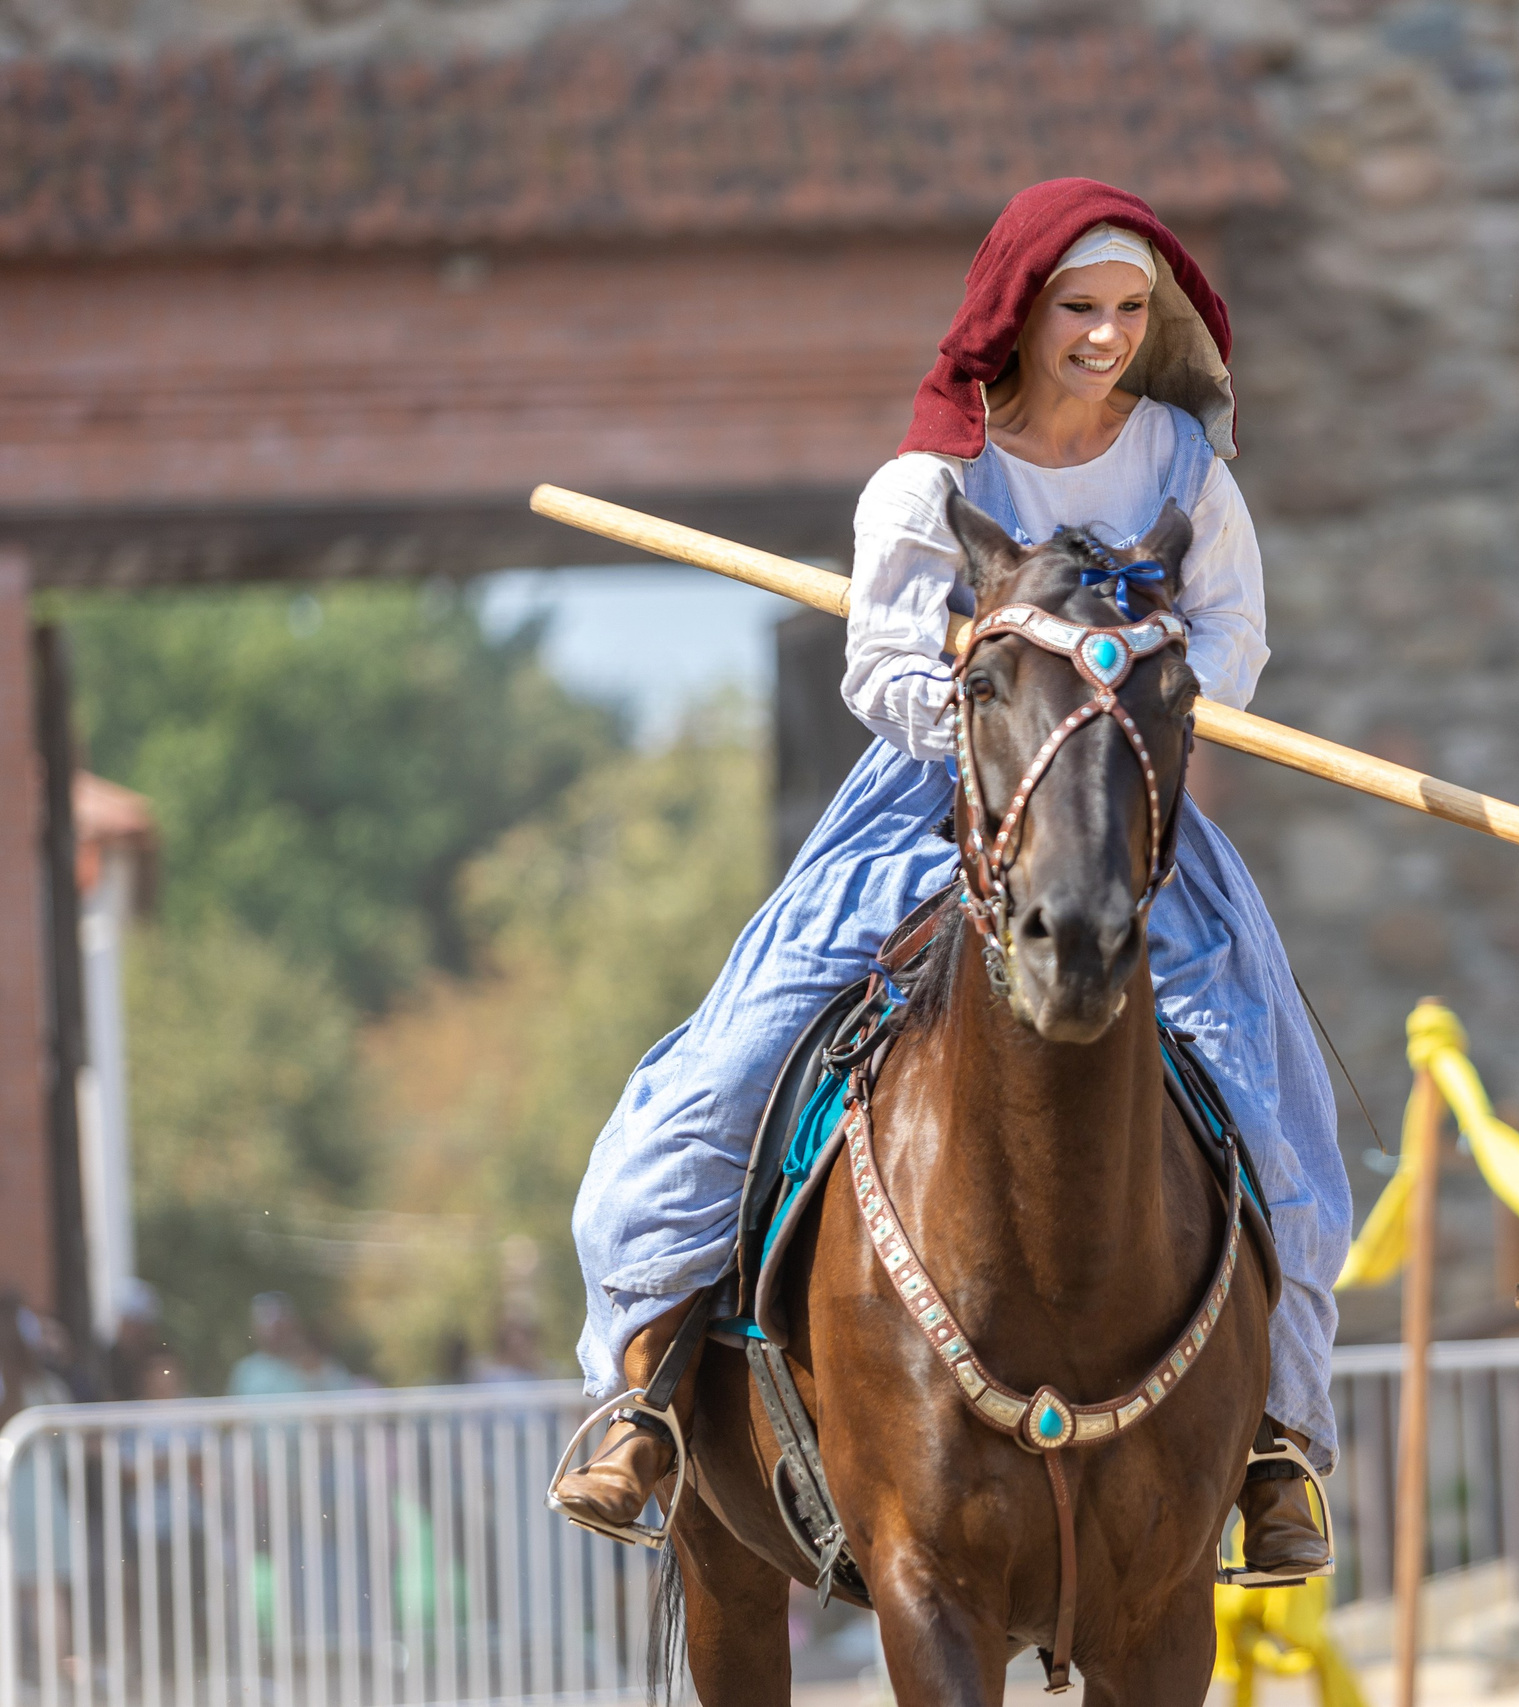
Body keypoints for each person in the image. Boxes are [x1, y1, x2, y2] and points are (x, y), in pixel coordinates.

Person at [556, 179, 1351, 1582]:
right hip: (943, 808)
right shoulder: (930, 478)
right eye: (1079, 309)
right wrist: (1002, 703)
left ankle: (1272, 1436)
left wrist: (1137, 691)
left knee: (1272, 1097)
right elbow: (878, 665)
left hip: (1127, 807)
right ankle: (650, 1385)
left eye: (1129, 311)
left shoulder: (1184, 468)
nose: (1106, 336)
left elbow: (1235, 633)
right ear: (1019, 312)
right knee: (732, 1065)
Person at [225, 1293, 357, 1397]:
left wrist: (315, 1375)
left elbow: (343, 1402)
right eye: (266, 1323)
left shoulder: (322, 1366)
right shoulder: (246, 1370)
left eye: (280, 1323)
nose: (274, 1330)